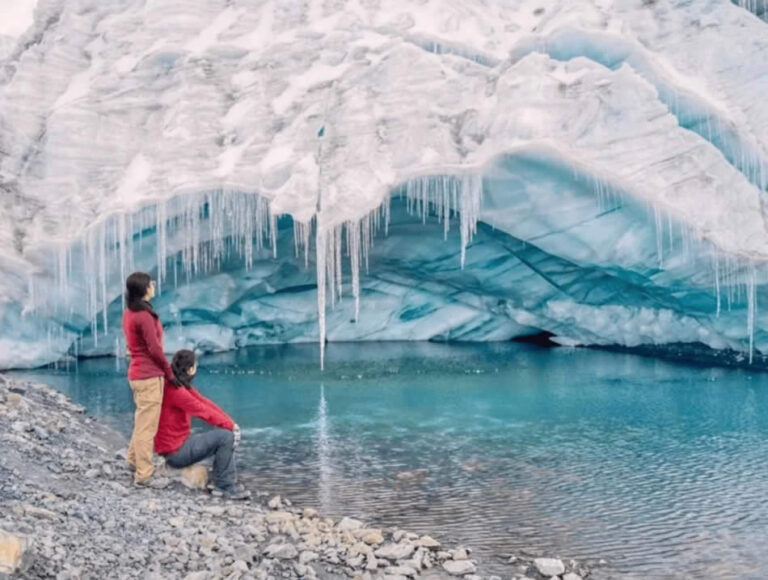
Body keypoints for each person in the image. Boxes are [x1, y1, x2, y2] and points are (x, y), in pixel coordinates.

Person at [155, 349, 250, 500]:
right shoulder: (177, 391)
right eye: (196, 366)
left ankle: (219, 481)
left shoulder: (178, 385)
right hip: (175, 453)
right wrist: (231, 428)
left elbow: (204, 402)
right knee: (225, 437)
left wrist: (231, 423)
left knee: (226, 434)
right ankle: (225, 486)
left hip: (176, 446)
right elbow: (202, 411)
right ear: (191, 369)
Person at [122, 272, 175, 486]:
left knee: (142, 420)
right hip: (149, 375)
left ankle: (133, 459)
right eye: (150, 283)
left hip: (138, 373)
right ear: (144, 289)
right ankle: (144, 474)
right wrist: (168, 371)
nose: (153, 286)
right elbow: (154, 348)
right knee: (148, 427)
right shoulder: (143, 316)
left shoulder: (130, 313)